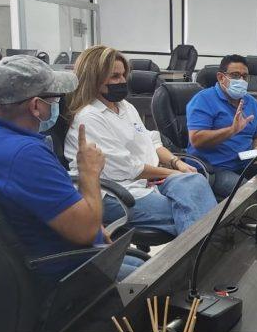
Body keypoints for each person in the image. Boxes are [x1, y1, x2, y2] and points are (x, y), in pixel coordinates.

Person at [0, 55, 142, 281]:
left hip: (28, 262)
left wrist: (91, 223)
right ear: (36, 106)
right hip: (65, 270)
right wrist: (89, 172)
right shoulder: (25, 155)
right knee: (160, 280)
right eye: (55, 100)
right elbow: (85, 232)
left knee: (142, 264)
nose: (57, 105)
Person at [64, 46, 216, 239]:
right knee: (195, 211)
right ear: (94, 79)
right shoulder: (89, 117)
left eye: (123, 75)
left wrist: (177, 163)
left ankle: (200, 249)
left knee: (195, 183)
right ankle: (202, 252)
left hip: (145, 181)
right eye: (114, 77)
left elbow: (150, 141)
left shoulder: (124, 106)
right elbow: (126, 168)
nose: (122, 81)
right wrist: (174, 173)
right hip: (115, 193)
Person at [185, 54, 257, 200]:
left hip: (244, 164)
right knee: (248, 193)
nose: (241, 80)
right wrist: (232, 130)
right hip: (213, 169)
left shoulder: (252, 103)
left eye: (244, 76)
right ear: (221, 77)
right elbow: (196, 139)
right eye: (235, 75)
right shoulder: (203, 100)